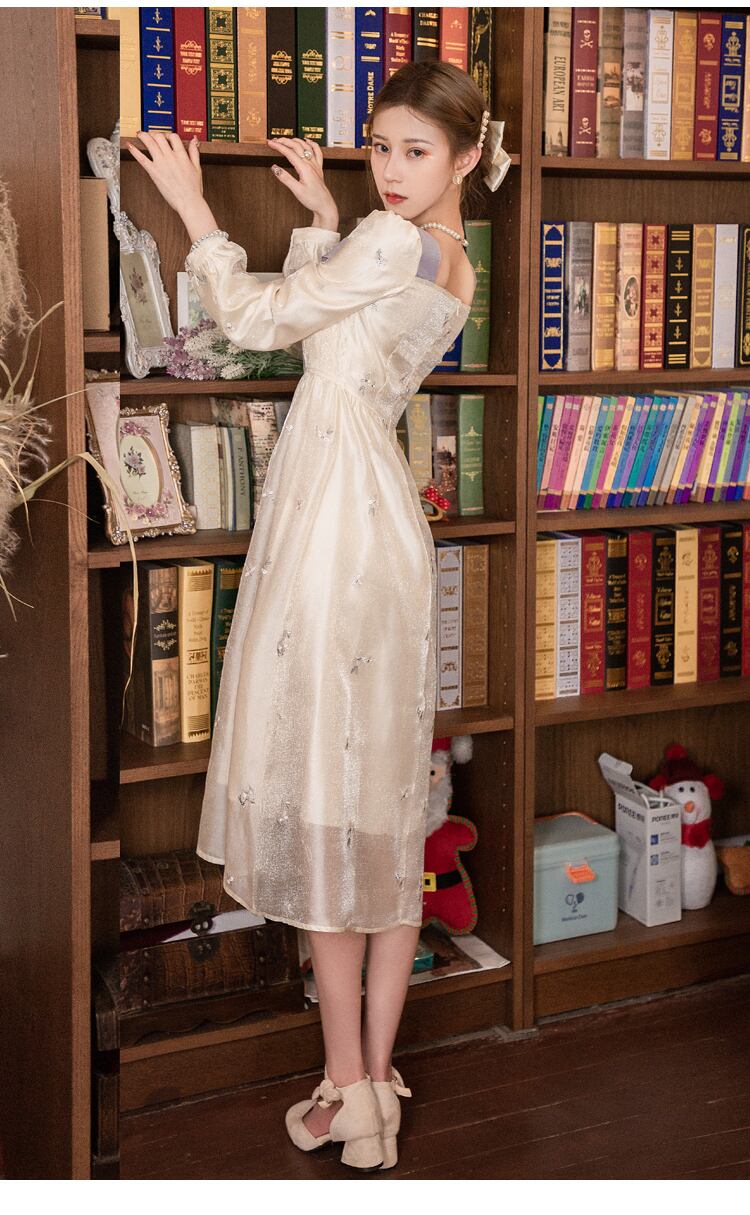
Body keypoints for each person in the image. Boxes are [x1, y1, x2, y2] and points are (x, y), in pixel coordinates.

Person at [127, 59, 509, 1173]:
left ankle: (347, 1088)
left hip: (332, 525)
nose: (390, 168)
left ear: (467, 156)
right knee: (376, 811)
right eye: (380, 146)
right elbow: (341, 328)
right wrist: (324, 223)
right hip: (379, 522)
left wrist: (194, 207)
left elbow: (261, 322)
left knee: (327, 804)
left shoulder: (393, 242)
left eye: (416, 151)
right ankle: (371, 1088)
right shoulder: (453, 258)